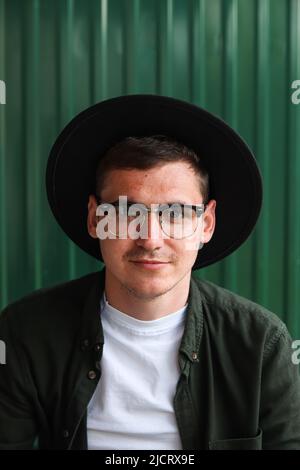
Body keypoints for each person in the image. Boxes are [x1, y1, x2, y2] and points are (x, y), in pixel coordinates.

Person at [0, 95, 299, 450]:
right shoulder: (26, 333)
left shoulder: (260, 342)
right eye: (127, 212)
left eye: (174, 213)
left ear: (206, 224)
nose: (151, 239)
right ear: (96, 219)